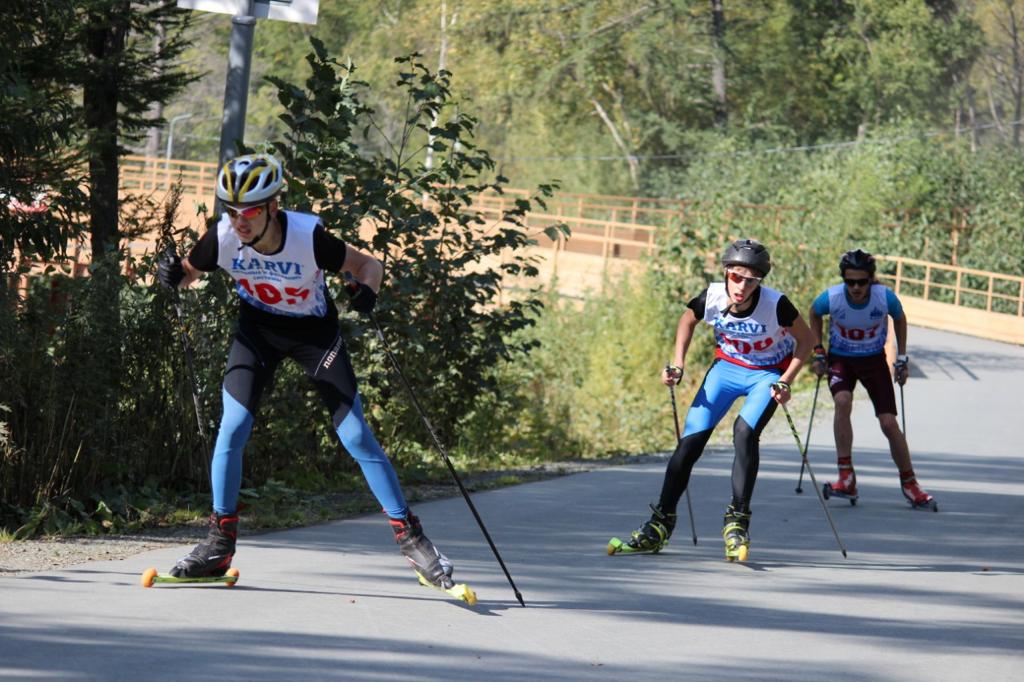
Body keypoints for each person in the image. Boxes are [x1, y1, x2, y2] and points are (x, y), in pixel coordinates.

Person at [156, 152, 459, 588]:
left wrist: (367, 291)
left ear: (273, 206)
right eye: (232, 210)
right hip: (257, 332)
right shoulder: (221, 238)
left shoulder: (308, 237)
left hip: (314, 337)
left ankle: (411, 539)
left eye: (251, 211)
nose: (240, 220)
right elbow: (187, 273)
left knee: (354, 434)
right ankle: (218, 543)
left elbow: (368, 265)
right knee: (233, 427)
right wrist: (171, 275)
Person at [608, 239, 814, 561]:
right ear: (726, 273)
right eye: (736, 277)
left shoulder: (777, 305)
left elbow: (808, 340)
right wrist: (678, 363)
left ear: (760, 281)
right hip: (727, 370)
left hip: (768, 373)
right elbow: (687, 320)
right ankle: (659, 523)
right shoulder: (714, 296)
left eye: (751, 280)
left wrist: (787, 380)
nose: (741, 286)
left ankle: (737, 521)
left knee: (744, 433)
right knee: (690, 441)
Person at [808, 248, 936, 511]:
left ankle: (910, 483)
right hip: (841, 360)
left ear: (871, 279)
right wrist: (818, 350)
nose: (855, 287)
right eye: (850, 281)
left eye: (861, 282)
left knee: (889, 423)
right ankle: (847, 477)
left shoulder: (884, 297)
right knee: (842, 402)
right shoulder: (832, 297)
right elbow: (813, 313)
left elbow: (899, 319)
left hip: (873, 360)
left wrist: (901, 358)